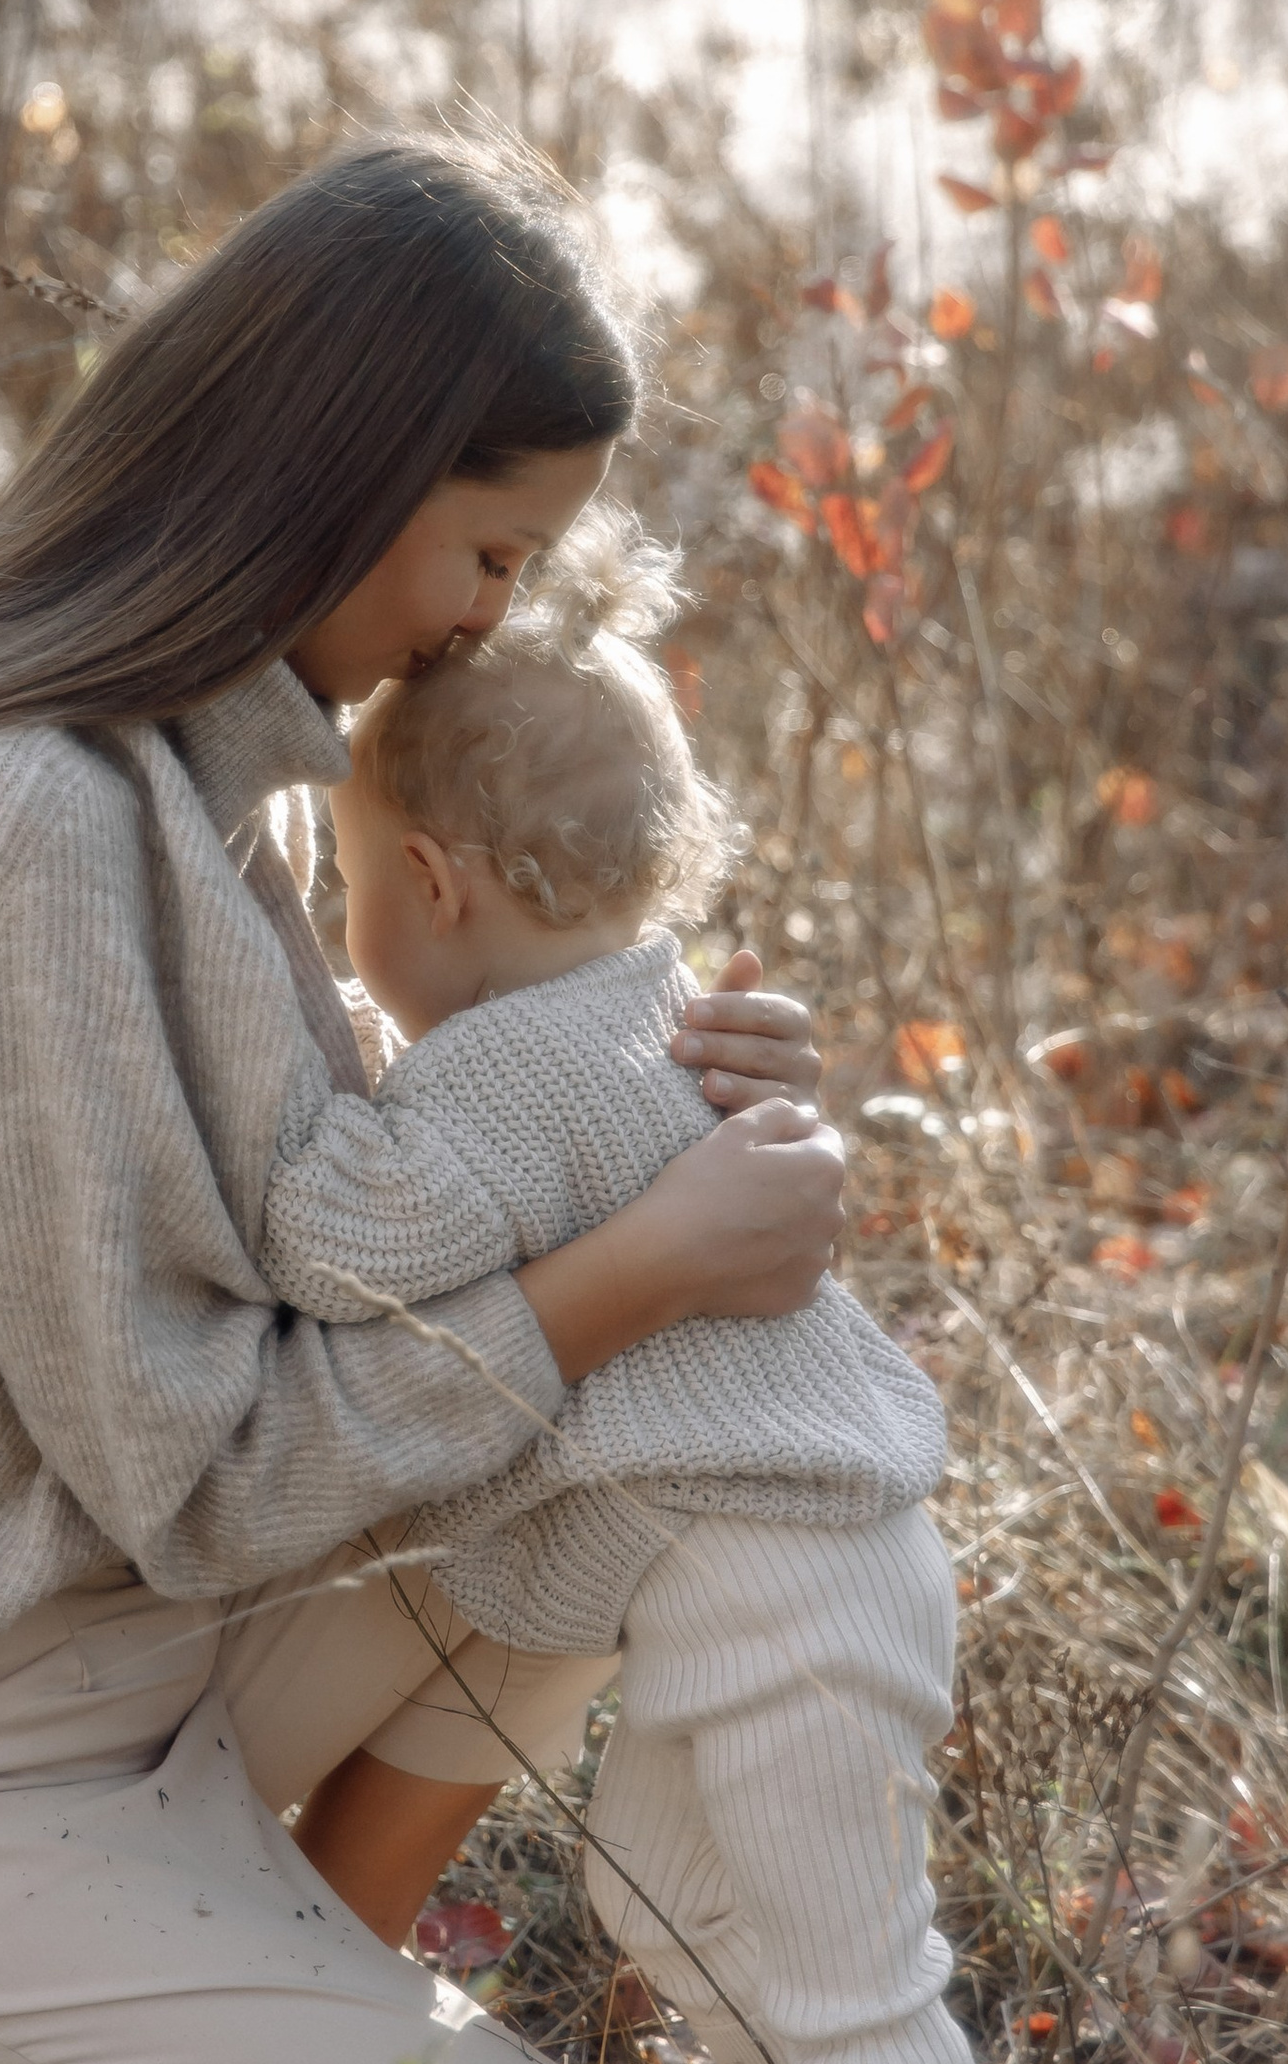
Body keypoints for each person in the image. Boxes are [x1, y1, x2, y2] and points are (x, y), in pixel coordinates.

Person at [0, 134, 849, 2064]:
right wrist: (648, 1262)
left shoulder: (212, 789)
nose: (484, 622)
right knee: (607, 1366)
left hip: (133, 1671)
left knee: (620, 1478)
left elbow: (384, 1224)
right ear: (352, 473)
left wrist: (666, 1079)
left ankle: (274, 1969)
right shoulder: (26, 821)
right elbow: (203, 1470)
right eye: (494, 553)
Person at [248, 526, 965, 2064]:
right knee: (676, 1914)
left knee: (858, 2008)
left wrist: (280, 1118)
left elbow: (332, 1244)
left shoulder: (507, 1072)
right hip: (794, 1579)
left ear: (429, 887)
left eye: (354, 892)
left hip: (795, 1601)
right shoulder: (666, 1016)